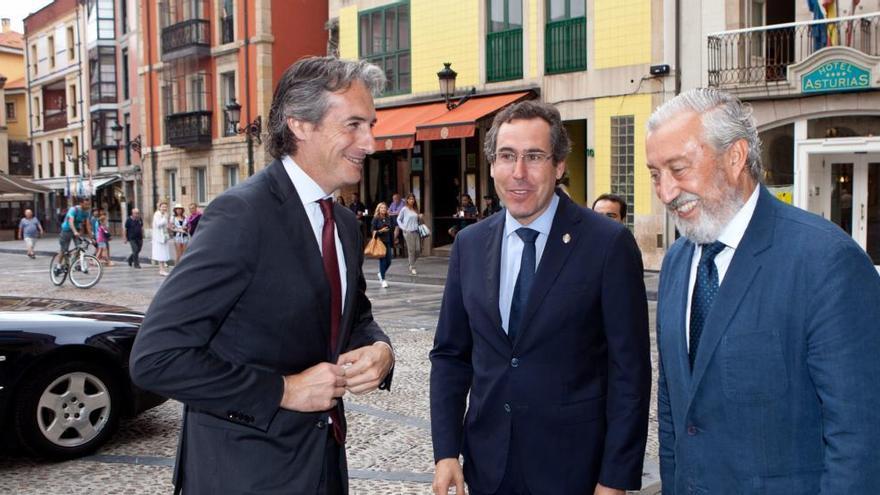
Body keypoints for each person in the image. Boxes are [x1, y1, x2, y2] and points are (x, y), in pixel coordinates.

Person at [130, 56, 395, 495]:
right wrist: (281, 390)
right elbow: (156, 358)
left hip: (322, 466)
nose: (370, 141)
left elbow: (353, 316)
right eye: (353, 125)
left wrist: (379, 350)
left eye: (371, 124)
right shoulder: (242, 216)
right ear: (300, 125)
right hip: (243, 473)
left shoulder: (344, 223)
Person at [646, 88, 880, 493]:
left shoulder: (825, 261)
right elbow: (672, 409)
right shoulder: (677, 262)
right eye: (654, 174)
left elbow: (859, 437)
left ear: (735, 157)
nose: (666, 192)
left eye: (679, 169)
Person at [430, 101, 651, 495]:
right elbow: (451, 355)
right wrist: (446, 451)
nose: (519, 173)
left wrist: (615, 478)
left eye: (534, 157)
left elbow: (630, 371)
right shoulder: (469, 244)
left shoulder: (607, 244)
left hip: (575, 472)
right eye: (507, 156)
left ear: (559, 165)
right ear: (492, 164)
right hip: (487, 469)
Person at [57, 197, 93, 264]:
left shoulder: (86, 212)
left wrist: (92, 238)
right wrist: (75, 231)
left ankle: (75, 262)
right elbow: (71, 221)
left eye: (89, 204)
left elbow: (88, 226)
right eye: (86, 204)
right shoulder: (74, 209)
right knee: (64, 249)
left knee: (80, 247)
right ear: (81, 203)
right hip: (66, 230)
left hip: (77, 230)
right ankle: (58, 265)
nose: (88, 206)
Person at [395, 193, 422, 275]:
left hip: (416, 231)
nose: (411, 200)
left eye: (413, 199)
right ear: (407, 200)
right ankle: (412, 267)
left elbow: (418, 220)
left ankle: (411, 263)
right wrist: (403, 228)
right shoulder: (404, 209)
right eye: (410, 199)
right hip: (408, 232)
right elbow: (398, 219)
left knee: (418, 250)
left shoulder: (415, 209)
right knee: (411, 250)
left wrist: (420, 217)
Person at [371, 202, 394, 288]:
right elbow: (372, 231)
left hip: (388, 241)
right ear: (379, 209)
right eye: (381, 208)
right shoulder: (376, 219)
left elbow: (391, 230)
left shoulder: (388, 218)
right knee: (383, 261)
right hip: (380, 242)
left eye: (384, 208)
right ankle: (383, 280)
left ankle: (381, 273)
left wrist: (393, 241)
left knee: (389, 261)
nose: (383, 209)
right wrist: (381, 231)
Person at [151, 201, 172, 276]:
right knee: (160, 253)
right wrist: (165, 218)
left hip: (164, 236)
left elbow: (167, 225)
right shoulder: (157, 214)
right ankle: (161, 270)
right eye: (163, 207)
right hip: (159, 237)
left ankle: (162, 269)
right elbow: (158, 224)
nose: (164, 208)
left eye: (165, 207)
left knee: (164, 253)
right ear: (159, 207)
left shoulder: (164, 214)